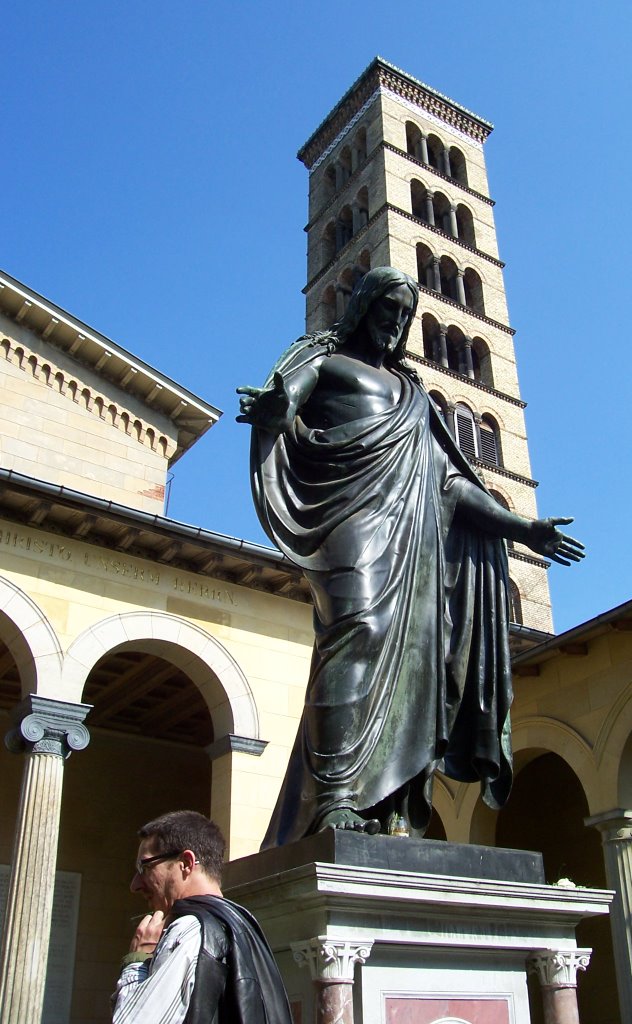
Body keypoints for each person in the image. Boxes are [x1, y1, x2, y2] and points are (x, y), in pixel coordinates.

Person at [237, 267, 583, 847]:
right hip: (350, 521)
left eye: (405, 315)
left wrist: (523, 527)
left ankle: (393, 804)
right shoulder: (322, 358)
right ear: (363, 307)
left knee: (419, 664)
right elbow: (287, 397)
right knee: (358, 628)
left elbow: (450, 484)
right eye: (387, 310)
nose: (396, 323)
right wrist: (276, 407)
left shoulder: (413, 393)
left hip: (415, 540)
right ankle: (334, 797)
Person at [112, 810, 293, 1024]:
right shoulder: (245, 925)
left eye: (145, 867)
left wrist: (138, 962)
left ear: (187, 863)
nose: (135, 885)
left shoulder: (190, 928)